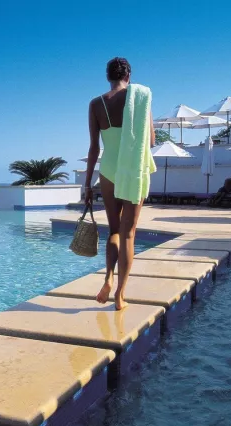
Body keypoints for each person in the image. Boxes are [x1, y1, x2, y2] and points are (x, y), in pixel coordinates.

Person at [84, 57, 155, 310]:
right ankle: (120, 296)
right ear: (129, 76)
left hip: (108, 171)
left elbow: (94, 148)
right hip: (133, 169)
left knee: (114, 230)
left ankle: (108, 278)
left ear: (108, 76)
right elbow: (151, 141)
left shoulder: (96, 104)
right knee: (129, 234)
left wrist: (87, 184)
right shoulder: (140, 98)